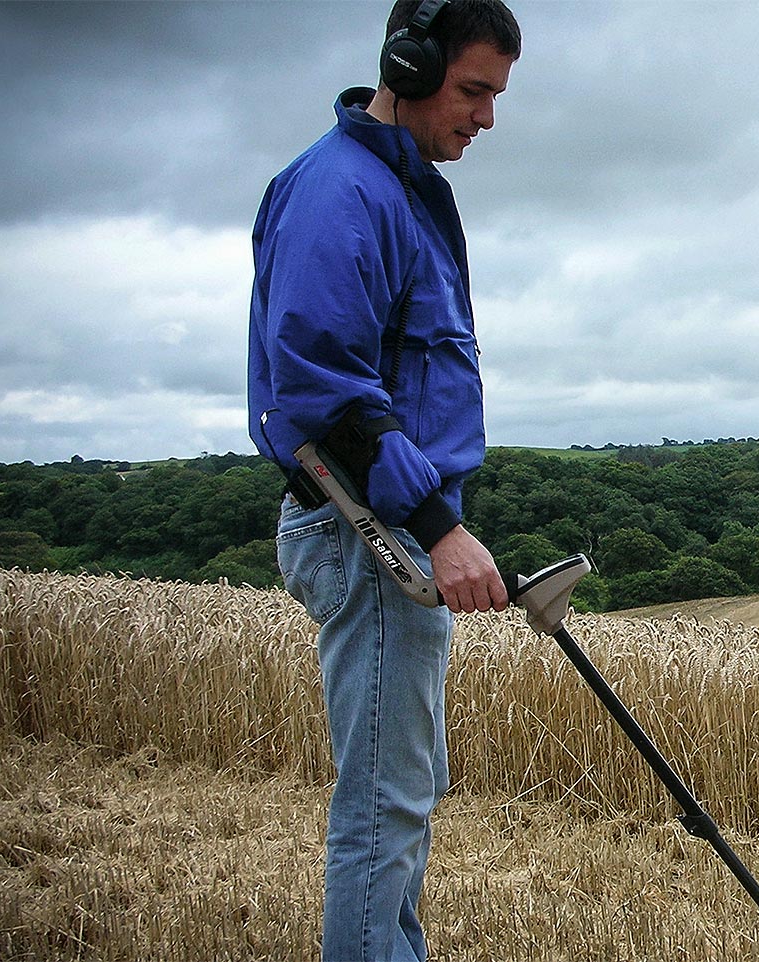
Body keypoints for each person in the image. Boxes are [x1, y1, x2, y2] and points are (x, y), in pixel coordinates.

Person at [246, 1, 519, 959]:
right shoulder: (341, 191)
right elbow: (323, 393)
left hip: (389, 525)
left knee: (405, 794)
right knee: (383, 806)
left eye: (495, 96)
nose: (485, 117)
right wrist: (439, 526)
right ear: (407, 65)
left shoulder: (396, 190)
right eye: (473, 90)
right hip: (366, 529)